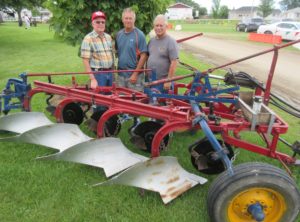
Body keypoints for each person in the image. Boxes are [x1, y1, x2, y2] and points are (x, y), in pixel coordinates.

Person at [116, 8, 148, 92]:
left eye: (130, 18)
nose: (128, 20)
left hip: (135, 76)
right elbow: (118, 52)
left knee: (135, 101)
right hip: (121, 75)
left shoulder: (139, 35)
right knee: (120, 101)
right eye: (126, 18)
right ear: (122, 19)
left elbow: (144, 56)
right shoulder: (119, 34)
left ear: (134, 20)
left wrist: (135, 73)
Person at [80, 11, 114, 89]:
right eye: (98, 22)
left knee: (110, 97)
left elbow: (111, 55)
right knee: (100, 97)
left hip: (110, 72)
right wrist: (92, 79)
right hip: (99, 74)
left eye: (103, 22)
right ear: (93, 24)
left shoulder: (108, 37)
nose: (101, 24)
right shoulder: (88, 39)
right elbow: (85, 61)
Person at [147, 15, 178, 92]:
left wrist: (168, 80)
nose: (158, 28)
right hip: (150, 80)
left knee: (162, 103)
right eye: (156, 25)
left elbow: (174, 62)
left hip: (163, 82)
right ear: (154, 27)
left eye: (161, 25)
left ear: (166, 26)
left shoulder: (171, 41)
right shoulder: (152, 41)